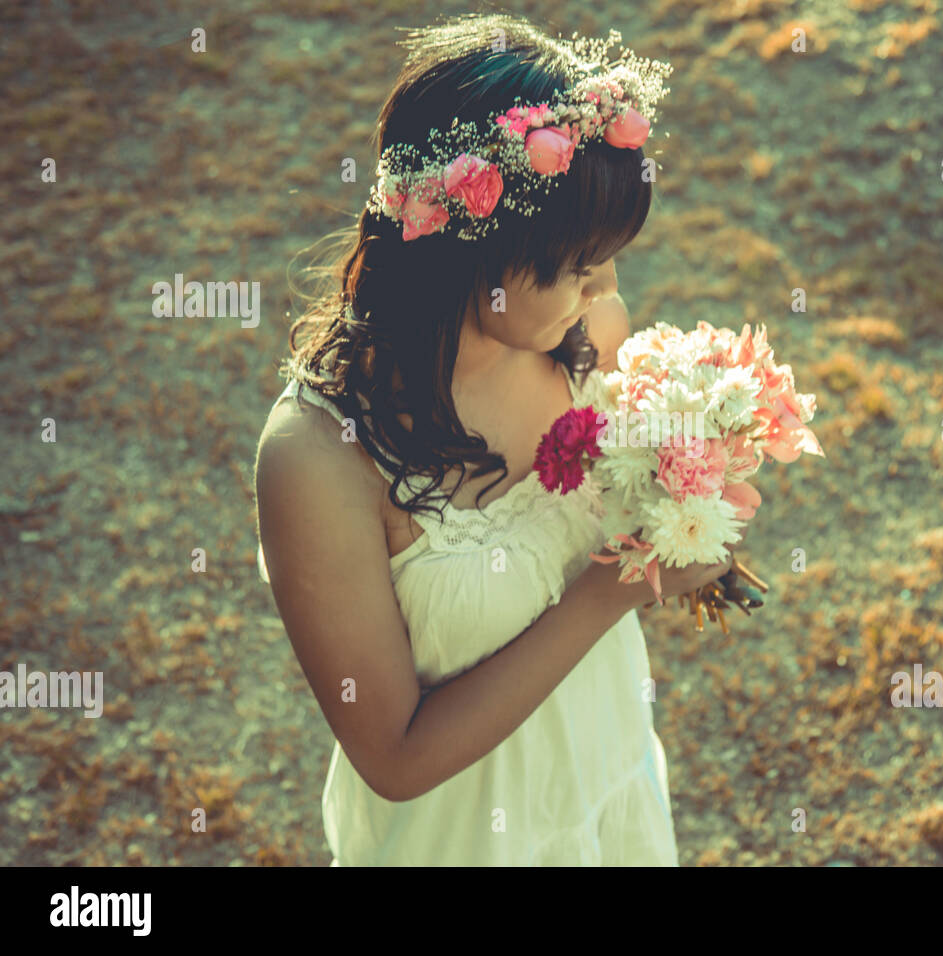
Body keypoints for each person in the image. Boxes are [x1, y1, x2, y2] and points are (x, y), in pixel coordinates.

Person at [253, 13, 732, 865]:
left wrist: (686, 505)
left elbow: (627, 493)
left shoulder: (588, 339)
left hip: (604, 779)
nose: (606, 288)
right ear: (473, 251)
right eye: (578, 265)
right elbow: (395, 756)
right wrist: (614, 591)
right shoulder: (319, 460)